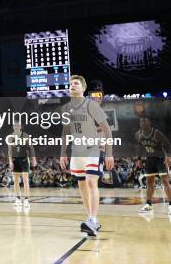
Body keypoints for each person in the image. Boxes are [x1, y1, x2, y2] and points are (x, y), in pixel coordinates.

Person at [60, 75, 114, 237]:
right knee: (82, 185)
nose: (72, 86)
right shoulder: (66, 109)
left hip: (94, 148)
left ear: (83, 88)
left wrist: (109, 153)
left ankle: (92, 219)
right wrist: (63, 153)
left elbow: (107, 129)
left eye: (76, 83)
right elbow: (65, 132)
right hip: (77, 151)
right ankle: (91, 219)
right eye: (70, 84)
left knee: (91, 181)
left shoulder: (91, 105)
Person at [135, 117, 171, 215]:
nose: (142, 123)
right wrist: (139, 159)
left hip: (160, 159)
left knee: (165, 181)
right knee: (149, 183)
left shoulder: (156, 133)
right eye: (141, 121)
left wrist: (168, 156)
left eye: (144, 121)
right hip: (150, 159)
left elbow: (168, 145)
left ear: (149, 122)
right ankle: (148, 205)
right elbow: (139, 147)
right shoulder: (139, 134)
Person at [7, 122, 36, 209]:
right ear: (13, 127)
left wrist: (34, 159)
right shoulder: (10, 137)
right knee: (16, 181)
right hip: (15, 160)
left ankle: (26, 200)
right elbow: (10, 150)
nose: (16, 127)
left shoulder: (25, 135)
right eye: (14, 125)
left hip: (24, 159)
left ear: (20, 126)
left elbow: (31, 148)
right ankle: (17, 199)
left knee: (25, 179)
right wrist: (10, 162)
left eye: (17, 125)